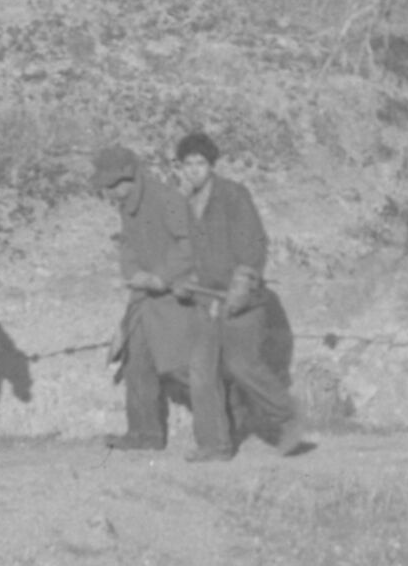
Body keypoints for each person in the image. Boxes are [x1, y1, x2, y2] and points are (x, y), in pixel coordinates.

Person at [174, 132, 311, 460]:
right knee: (200, 370)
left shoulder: (234, 196)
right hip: (205, 300)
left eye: (200, 163)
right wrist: (180, 280)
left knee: (240, 364)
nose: (194, 170)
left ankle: (288, 417)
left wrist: (241, 285)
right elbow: (179, 250)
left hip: (242, 298)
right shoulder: (182, 203)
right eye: (188, 164)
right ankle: (214, 444)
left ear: (212, 165)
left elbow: (253, 245)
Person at [95, 143, 200, 450]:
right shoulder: (127, 205)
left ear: (130, 176)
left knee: (179, 367)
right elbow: (128, 246)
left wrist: (162, 276)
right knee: (136, 362)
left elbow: (189, 245)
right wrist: (133, 274)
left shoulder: (167, 200)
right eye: (108, 187)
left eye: (114, 185)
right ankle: (144, 435)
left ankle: (230, 411)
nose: (111, 193)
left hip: (174, 296)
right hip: (144, 297)